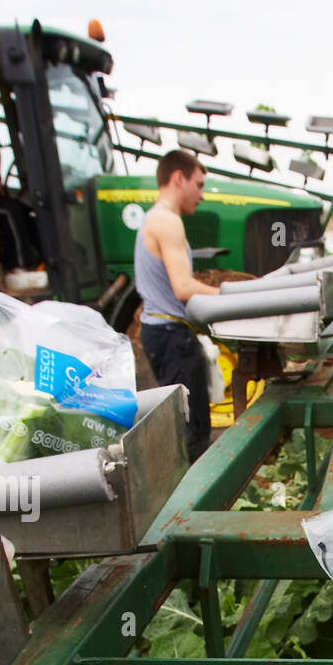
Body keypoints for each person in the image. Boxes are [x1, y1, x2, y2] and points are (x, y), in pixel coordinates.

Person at [135, 149, 220, 463]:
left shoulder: (154, 218)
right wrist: (227, 296)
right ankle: (195, 503)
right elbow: (183, 287)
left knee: (187, 421)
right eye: (198, 185)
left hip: (165, 333)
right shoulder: (167, 222)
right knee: (193, 428)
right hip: (172, 337)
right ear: (178, 178)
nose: (201, 194)